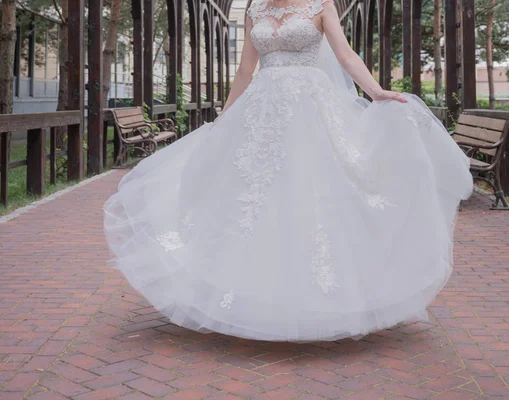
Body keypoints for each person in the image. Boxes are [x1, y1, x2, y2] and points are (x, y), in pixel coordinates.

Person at [104, 0, 473, 342]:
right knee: (251, 195)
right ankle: (252, 291)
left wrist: (376, 91)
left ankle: (322, 296)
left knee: (315, 192)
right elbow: (247, 69)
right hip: (260, 113)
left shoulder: (320, 4)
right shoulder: (255, 8)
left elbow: (345, 56)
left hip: (311, 112)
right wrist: (223, 119)